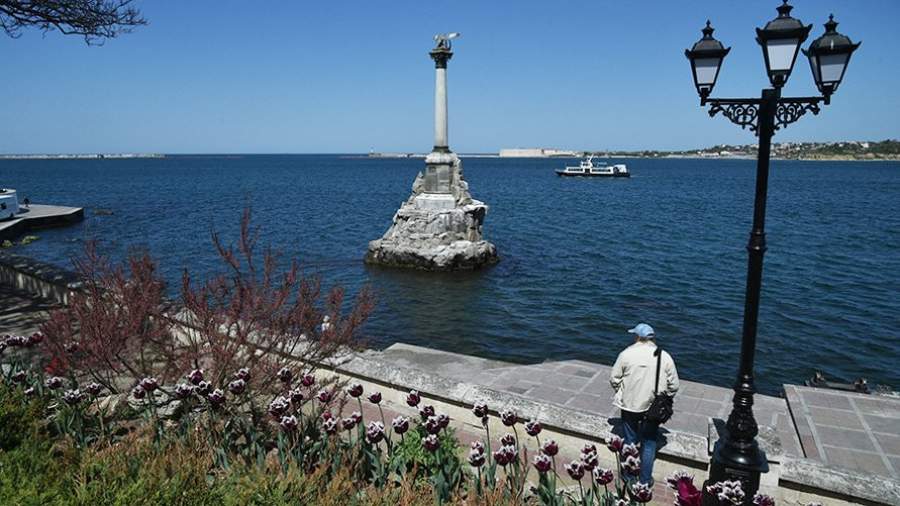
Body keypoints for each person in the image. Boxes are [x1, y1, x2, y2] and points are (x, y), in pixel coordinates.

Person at [609, 323, 679, 486]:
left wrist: (622, 391)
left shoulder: (626, 354)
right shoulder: (664, 356)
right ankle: (645, 480)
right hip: (654, 408)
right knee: (649, 442)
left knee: (629, 440)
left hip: (630, 405)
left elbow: (614, 379)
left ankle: (629, 476)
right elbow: (674, 385)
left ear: (637, 337)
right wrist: (665, 397)